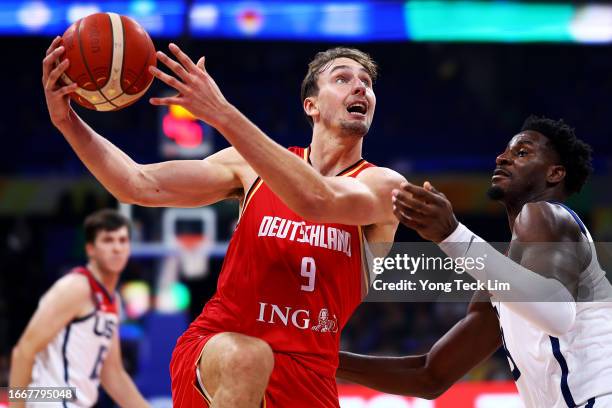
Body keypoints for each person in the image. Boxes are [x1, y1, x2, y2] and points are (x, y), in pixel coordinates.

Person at [42, 36, 405, 407]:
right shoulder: (248, 167)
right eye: (343, 78)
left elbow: (317, 199)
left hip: (308, 377)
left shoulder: (384, 187)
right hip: (219, 351)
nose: (361, 85)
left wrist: (222, 113)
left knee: (254, 359)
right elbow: (138, 184)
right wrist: (66, 120)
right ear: (310, 105)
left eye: (367, 82)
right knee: (248, 358)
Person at [338, 116, 612, 407]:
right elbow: (429, 375)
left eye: (521, 152)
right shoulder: (504, 279)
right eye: (505, 152)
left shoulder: (547, 215)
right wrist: (320, 357)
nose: (502, 158)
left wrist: (452, 234)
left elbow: (557, 315)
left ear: (555, 173)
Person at [9, 209, 148, 407]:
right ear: (90, 249)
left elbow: (113, 374)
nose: (117, 248)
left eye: (122, 240)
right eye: (108, 240)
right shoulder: (76, 288)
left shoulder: (113, 299)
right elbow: (23, 351)